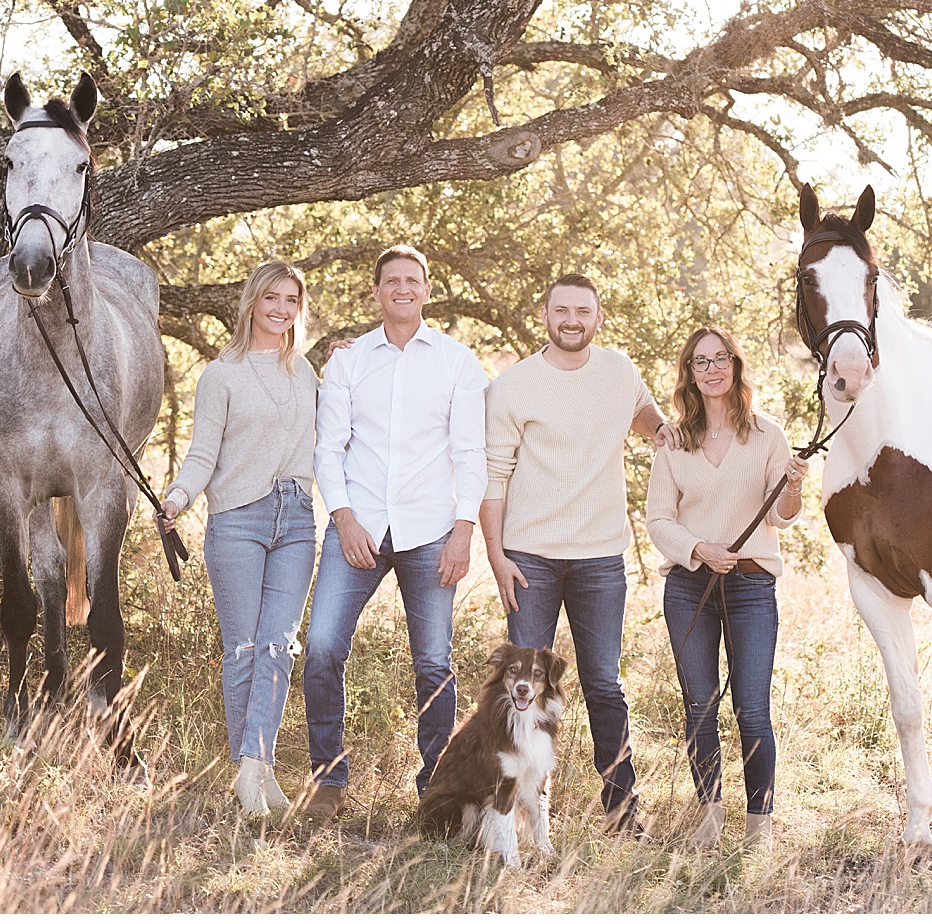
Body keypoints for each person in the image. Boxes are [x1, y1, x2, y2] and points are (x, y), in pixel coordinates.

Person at [479, 273, 679, 835]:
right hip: (530, 558)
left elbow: (642, 411)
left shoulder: (619, 370)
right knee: (521, 686)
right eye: (561, 310)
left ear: (597, 317)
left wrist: (660, 428)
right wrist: (496, 556)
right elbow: (494, 478)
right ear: (544, 315)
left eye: (583, 311)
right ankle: (525, 810)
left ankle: (621, 808)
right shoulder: (513, 386)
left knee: (603, 683)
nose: (572, 320)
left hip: (599, 558)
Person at [301, 244, 488, 821]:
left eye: (413, 281)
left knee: (433, 662)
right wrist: (344, 518)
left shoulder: (459, 362)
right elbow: (328, 449)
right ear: (376, 293)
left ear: (427, 291)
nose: (402, 289)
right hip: (356, 526)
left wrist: (463, 530)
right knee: (321, 647)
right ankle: (329, 782)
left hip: (431, 528)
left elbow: (471, 452)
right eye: (391, 282)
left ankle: (437, 791)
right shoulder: (348, 361)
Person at [157, 260, 319, 817]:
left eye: (291, 301)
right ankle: (253, 773)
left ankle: (256, 769)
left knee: (279, 644)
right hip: (238, 520)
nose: (281, 309)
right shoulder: (219, 375)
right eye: (272, 297)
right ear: (252, 301)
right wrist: (175, 499)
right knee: (245, 648)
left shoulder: (307, 374)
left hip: (297, 519)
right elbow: (203, 453)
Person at [644, 326, 808, 848]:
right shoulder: (674, 440)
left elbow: (783, 517)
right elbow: (658, 520)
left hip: (751, 586)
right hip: (690, 586)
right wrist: (698, 549)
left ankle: (758, 827)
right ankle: (711, 818)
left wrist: (795, 486)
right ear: (689, 374)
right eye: (700, 361)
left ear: (735, 367)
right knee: (700, 706)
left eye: (720, 359)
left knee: (753, 708)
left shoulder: (767, 435)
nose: (711, 368)